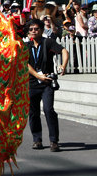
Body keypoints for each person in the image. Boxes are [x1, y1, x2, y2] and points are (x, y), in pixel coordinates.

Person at [25, 18, 68, 153]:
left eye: (36, 29)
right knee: (33, 112)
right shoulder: (26, 46)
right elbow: (24, 64)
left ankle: (54, 141)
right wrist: (37, 76)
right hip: (32, 83)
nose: (33, 31)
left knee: (49, 110)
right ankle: (37, 139)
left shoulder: (47, 42)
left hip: (47, 82)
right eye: (31, 29)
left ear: (42, 30)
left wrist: (64, 65)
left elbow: (64, 51)